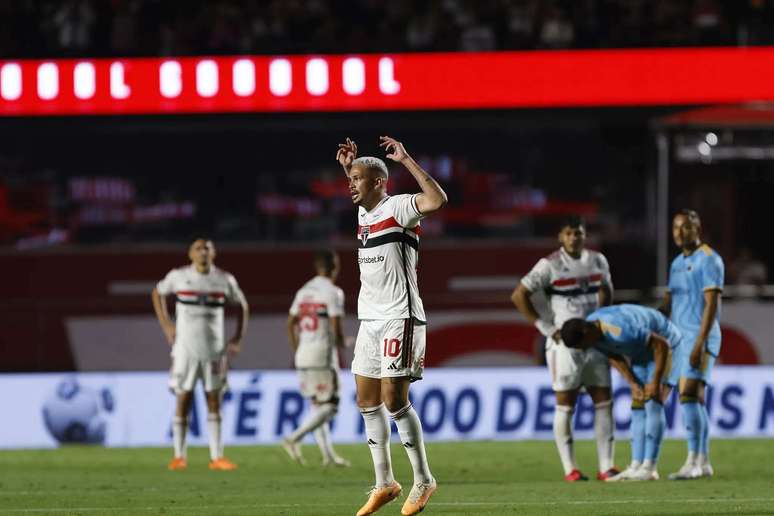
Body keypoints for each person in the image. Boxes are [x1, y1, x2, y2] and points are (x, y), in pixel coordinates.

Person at [336, 136, 447, 516]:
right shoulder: (364, 213)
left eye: (359, 179)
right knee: (366, 401)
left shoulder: (399, 207)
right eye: (349, 179)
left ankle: (423, 479)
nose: (351, 184)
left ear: (380, 182)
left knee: (394, 401)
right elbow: (361, 188)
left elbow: (436, 201)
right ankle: (385, 483)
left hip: (400, 315)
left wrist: (405, 159)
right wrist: (351, 167)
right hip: (369, 319)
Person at [511, 216, 617, 481]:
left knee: (603, 401)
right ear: (561, 237)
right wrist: (546, 328)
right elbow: (518, 295)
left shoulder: (598, 261)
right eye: (569, 233)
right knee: (565, 405)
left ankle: (607, 467)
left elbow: (606, 290)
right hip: (564, 346)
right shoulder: (550, 265)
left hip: (594, 343)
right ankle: (570, 469)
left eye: (578, 233)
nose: (574, 238)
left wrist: (602, 319)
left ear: (585, 235)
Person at [151, 238, 249, 471]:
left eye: (207, 248)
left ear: (213, 253)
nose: (203, 252)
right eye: (198, 248)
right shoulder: (178, 276)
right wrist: (166, 325)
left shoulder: (224, 279)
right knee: (183, 398)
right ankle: (178, 456)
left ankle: (216, 457)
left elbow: (243, 306)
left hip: (214, 350)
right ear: (190, 254)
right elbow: (157, 293)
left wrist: (237, 339)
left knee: (214, 400)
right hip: (185, 349)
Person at [560, 304, 683, 481]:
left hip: (666, 345)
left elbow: (661, 345)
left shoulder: (619, 329)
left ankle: (650, 467)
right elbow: (613, 355)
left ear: (586, 333)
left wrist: (656, 381)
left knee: (653, 401)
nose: (586, 349)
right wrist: (632, 382)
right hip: (642, 353)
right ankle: (636, 465)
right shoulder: (593, 332)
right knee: (638, 403)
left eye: (584, 345)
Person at [659, 209, 724, 480]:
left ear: (697, 228)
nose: (679, 233)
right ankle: (702, 461)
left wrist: (699, 344)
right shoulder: (676, 263)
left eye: (685, 227)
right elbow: (669, 302)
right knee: (693, 399)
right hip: (680, 340)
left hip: (701, 337)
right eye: (675, 227)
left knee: (687, 396)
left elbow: (711, 306)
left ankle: (694, 461)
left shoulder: (709, 260)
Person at [281, 249, 350, 468]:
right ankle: (294, 438)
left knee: (318, 405)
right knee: (332, 404)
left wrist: (296, 348)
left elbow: (290, 323)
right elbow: (336, 325)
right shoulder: (333, 292)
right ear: (334, 266)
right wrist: (342, 342)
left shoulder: (303, 292)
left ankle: (328, 455)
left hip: (303, 353)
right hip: (322, 354)